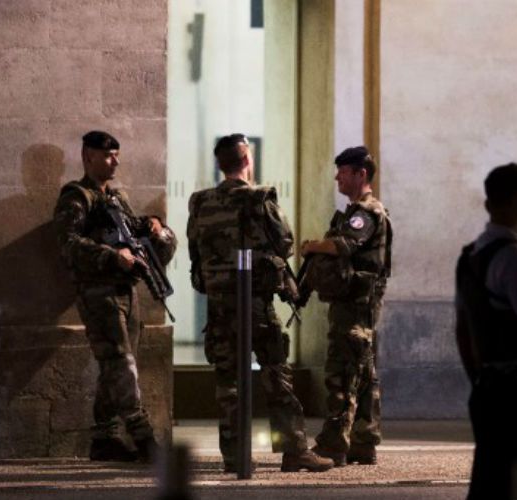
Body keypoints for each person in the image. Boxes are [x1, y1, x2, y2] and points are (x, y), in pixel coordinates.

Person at [186, 133, 333, 473]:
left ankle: (235, 454)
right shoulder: (260, 199)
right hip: (256, 304)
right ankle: (292, 449)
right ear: (247, 159)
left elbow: (195, 250)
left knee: (228, 381)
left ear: (220, 164)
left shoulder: (200, 202)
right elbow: (285, 243)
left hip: (219, 305)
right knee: (276, 377)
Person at [53, 130, 177, 462]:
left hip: (125, 291)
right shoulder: (76, 197)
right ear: (88, 156)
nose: (115, 161)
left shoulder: (115, 197)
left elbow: (130, 228)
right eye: (108, 156)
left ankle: (104, 439)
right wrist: (112, 257)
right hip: (98, 292)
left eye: (117, 155)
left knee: (116, 364)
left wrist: (151, 225)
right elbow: (67, 243)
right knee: (121, 363)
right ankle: (144, 438)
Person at [455, 163, 517, 499]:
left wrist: (478, 378)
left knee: (489, 483)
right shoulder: (515, 258)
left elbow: (463, 330)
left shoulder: (470, 257)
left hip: (487, 387)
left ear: (487, 204)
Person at [300, 146, 392, 467]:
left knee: (342, 371)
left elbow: (343, 245)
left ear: (360, 174)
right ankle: (364, 441)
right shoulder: (357, 211)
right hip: (355, 303)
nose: (337, 176)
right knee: (363, 371)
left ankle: (334, 442)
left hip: (356, 304)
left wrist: (311, 247)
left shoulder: (366, 212)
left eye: (343, 171)